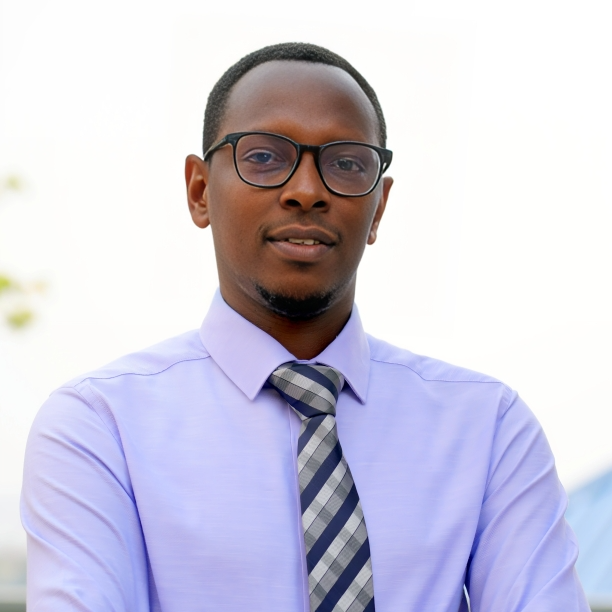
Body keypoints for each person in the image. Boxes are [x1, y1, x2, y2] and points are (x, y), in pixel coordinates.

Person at [21, 42, 589, 612]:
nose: (307, 191)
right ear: (200, 192)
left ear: (379, 206)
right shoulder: (100, 427)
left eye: (346, 164)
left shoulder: (488, 429)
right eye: (264, 156)